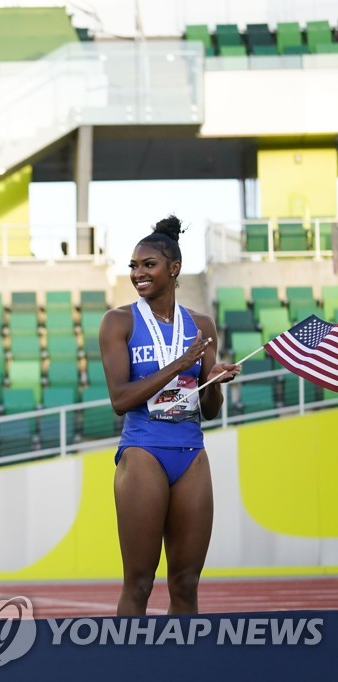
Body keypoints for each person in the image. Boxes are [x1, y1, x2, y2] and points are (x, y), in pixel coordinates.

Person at [98, 215, 240, 616]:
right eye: (133, 266)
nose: (137, 274)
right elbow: (120, 400)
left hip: (191, 451)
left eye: (148, 265)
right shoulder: (119, 322)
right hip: (143, 449)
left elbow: (210, 412)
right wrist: (181, 365)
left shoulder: (202, 325)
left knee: (185, 583)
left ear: (173, 268)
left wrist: (212, 381)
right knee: (140, 582)